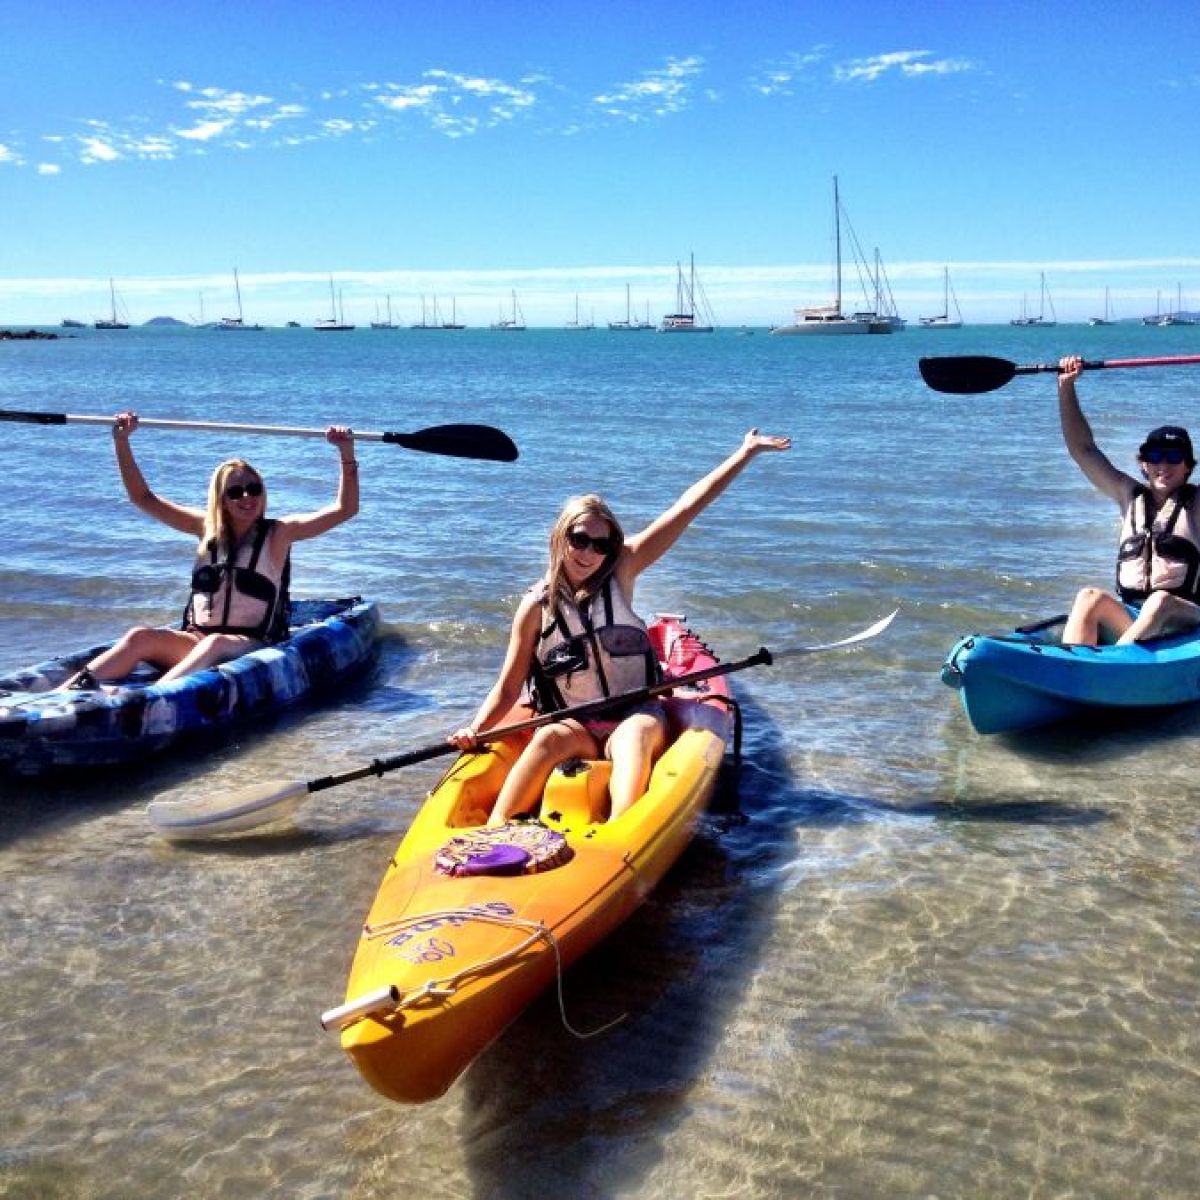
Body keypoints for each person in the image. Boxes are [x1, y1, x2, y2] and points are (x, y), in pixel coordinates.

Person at [449, 428, 791, 825]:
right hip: (575, 724)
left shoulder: (622, 569)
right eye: (580, 540)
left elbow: (686, 509)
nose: (590, 553)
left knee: (633, 738)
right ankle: (495, 830)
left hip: (636, 713)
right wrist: (475, 730)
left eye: (602, 545)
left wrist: (745, 453)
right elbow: (508, 688)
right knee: (546, 738)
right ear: (560, 536)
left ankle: (620, 831)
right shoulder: (534, 607)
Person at [65, 411, 359, 688]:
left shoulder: (279, 533)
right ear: (222, 499)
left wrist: (345, 452)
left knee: (215, 643)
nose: (247, 497)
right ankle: (64, 694)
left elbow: (345, 509)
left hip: (252, 647)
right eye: (235, 492)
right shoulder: (205, 528)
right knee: (139, 636)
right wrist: (121, 440)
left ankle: (153, 696)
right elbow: (142, 497)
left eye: (254, 489)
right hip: (197, 641)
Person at [1058, 353, 1200, 646]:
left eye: (1174, 457)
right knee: (1088, 597)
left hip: (1185, 619)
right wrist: (1066, 386)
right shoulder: (1128, 496)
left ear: (1188, 466)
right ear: (1143, 463)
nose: (1163, 465)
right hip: (1135, 619)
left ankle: (1114, 664)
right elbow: (1082, 449)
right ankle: (1074, 664)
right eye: (1155, 456)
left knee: (1160, 601)